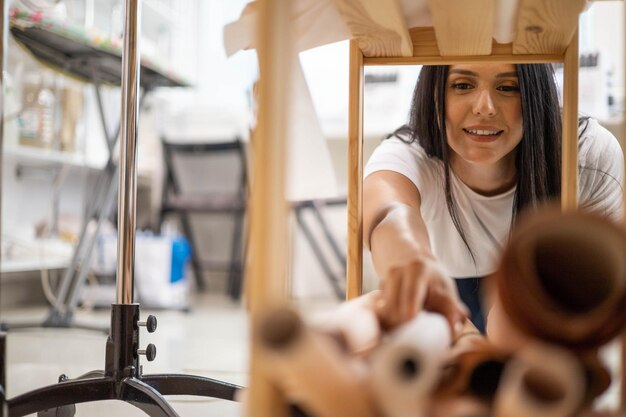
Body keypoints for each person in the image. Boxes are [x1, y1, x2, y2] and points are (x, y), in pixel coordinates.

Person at [363, 63, 624, 334]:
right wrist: (411, 260)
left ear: (535, 94)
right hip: (449, 284)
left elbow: (597, 285)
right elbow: (388, 213)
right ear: (434, 93)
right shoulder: (407, 153)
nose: (484, 107)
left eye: (508, 87)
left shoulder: (585, 154)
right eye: (462, 85)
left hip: (549, 283)